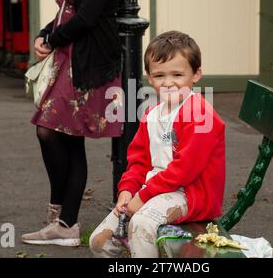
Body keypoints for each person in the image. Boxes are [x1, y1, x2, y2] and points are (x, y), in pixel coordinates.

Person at [89, 30, 226, 257]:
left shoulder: (201, 115)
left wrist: (142, 197)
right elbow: (139, 162)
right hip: (155, 190)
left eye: (177, 75)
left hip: (190, 195)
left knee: (141, 224)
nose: (168, 83)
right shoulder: (151, 115)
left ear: (196, 74)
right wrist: (127, 190)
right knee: (98, 241)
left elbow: (185, 171)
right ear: (149, 77)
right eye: (160, 75)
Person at [22, 0, 126, 247]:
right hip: (70, 58)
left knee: (50, 130)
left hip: (88, 62)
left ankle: (64, 221)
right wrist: (44, 34)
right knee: (66, 138)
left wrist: (53, 39)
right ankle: (63, 222)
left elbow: (88, 16)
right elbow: (66, 12)